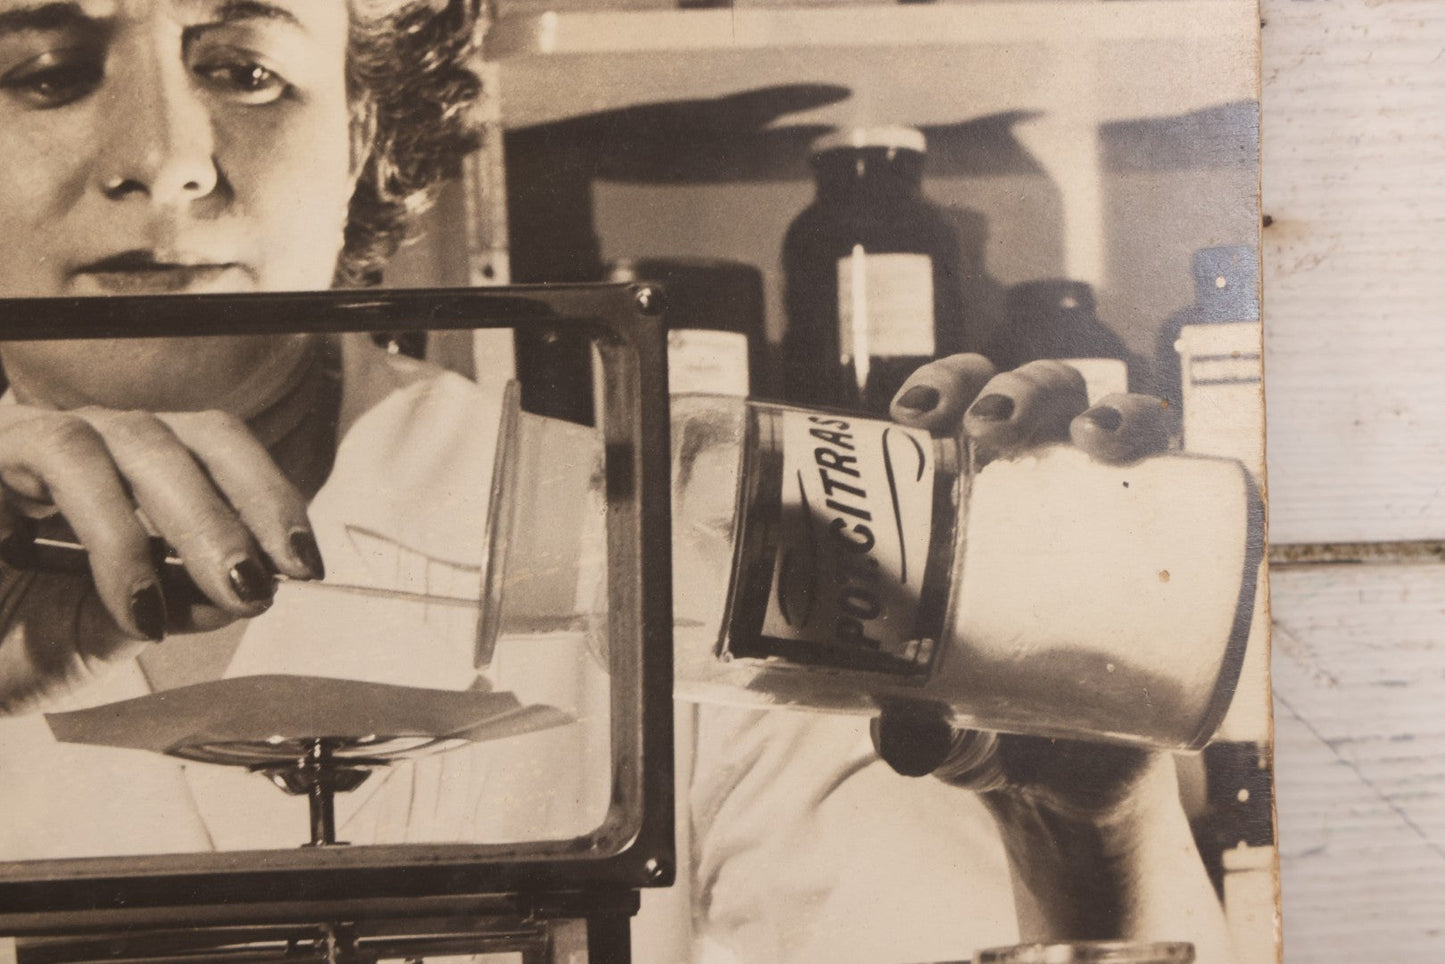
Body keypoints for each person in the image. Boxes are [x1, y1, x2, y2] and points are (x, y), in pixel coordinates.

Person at [0, 1, 1232, 961]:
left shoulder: (717, 558)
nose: (164, 162)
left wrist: (1086, 830)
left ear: (363, 127)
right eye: (45, 70)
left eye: (244, 67)